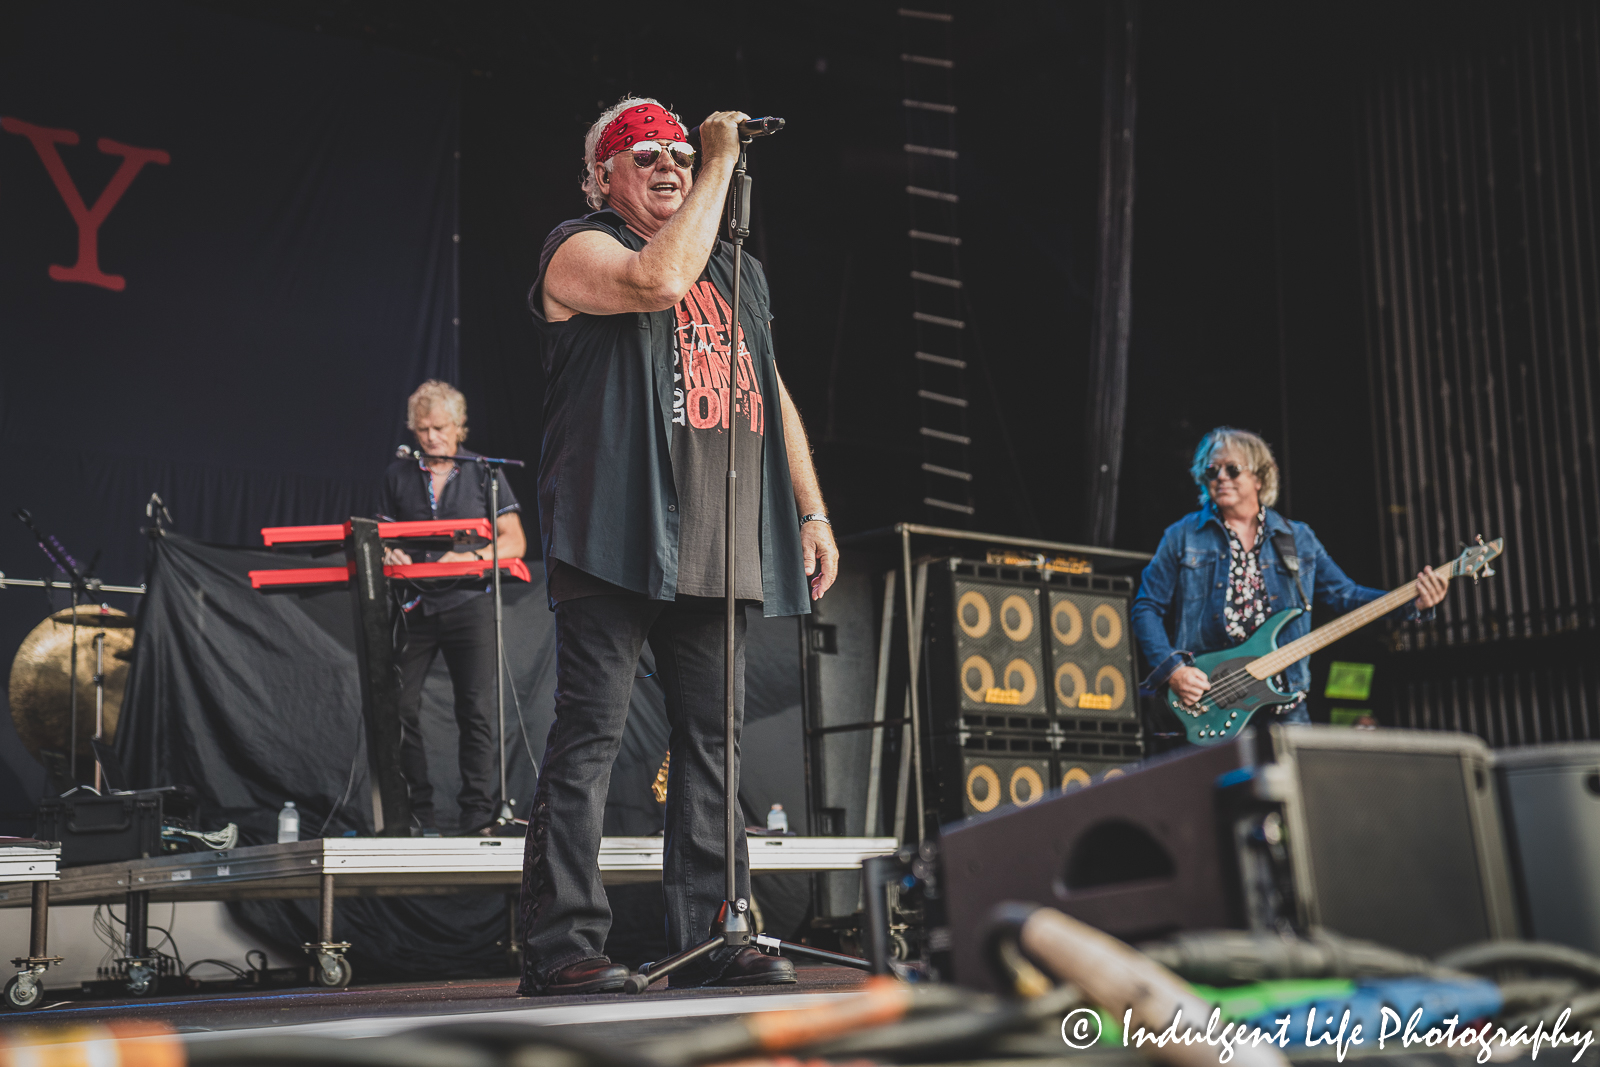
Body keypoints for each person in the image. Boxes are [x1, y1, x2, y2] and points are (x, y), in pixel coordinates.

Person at [516, 98, 839, 995]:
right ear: (599, 177)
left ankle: (714, 932)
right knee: (591, 736)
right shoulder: (577, 247)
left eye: (680, 155)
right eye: (645, 155)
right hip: (613, 531)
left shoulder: (740, 273)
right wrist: (722, 160)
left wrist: (810, 510)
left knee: (717, 745)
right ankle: (562, 948)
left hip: (717, 534)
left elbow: (770, 393)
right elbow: (656, 282)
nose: (670, 165)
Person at [1132, 427, 1448, 730]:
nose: (1221, 478)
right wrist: (1173, 670)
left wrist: (1413, 602)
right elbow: (1146, 607)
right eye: (1212, 471)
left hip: (1285, 706)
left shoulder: (1297, 538)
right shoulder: (1182, 536)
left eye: (1232, 469)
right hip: (1211, 701)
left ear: (1259, 475)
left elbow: (1345, 595)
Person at [378, 380, 526, 835]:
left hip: (469, 603)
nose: (430, 437)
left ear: (458, 427)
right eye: (422, 429)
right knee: (397, 705)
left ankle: (478, 816)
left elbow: (515, 541)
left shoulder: (484, 472)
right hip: (417, 603)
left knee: (476, 710)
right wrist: (389, 553)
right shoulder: (398, 474)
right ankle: (414, 814)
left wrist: (468, 556)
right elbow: (383, 539)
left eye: (439, 427)